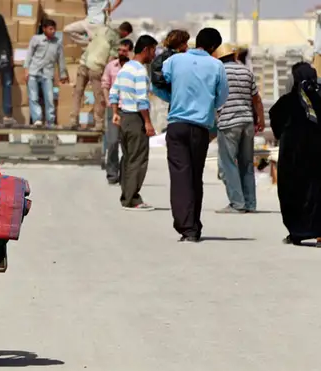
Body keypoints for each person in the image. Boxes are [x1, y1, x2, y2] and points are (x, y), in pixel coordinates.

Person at [161, 28, 228, 242]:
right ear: (213, 47)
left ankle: (186, 226)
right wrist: (207, 105)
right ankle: (194, 226)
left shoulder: (175, 61)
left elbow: (159, 82)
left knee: (180, 177)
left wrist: (171, 98)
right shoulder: (217, 65)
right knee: (194, 177)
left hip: (177, 125)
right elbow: (222, 97)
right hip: (200, 127)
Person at [269, 62, 321, 246]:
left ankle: (297, 232)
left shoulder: (287, 101)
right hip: (317, 154)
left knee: (291, 190)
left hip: (292, 155)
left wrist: (282, 134)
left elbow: (274, 117)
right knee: (316, 192)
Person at [213, 43, 265, 214]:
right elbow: (256, 99)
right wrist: (261, 120)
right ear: (234, 56)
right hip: (247, 122)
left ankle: (237, 203)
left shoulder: (219, 72)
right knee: (247, 164)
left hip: (229, 122)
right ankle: (250, 203)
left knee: (227, 164)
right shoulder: (246, 71)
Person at [109, 34, 158, 211]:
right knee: (138, 159)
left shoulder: (125, 69)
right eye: (153, 50)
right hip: (136, 118)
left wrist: (115, 112)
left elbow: (113, 93)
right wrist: (148, 123)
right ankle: (133, 199)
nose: (154, 54)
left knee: (128, 159)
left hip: (124, 117)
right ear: (146, 49)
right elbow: (142, 100)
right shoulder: (139, 71)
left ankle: (127, 196)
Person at [69, 21, 132, 131]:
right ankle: (98, 124)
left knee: (78, 93)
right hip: (96, 66)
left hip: (84, 62)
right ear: (125, 32)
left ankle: (73, 120)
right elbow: (111, 59)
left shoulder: (102, 29)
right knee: (99, 97)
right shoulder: (116, 40)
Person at [24, 19, 69, 127]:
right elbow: (29, 54)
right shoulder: (36, 39)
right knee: (33, 97)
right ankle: (37, 119)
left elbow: (61, 59)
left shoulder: (57, 42)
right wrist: (26, 70)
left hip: (48, 74)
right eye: (50, 29)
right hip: (34, 72)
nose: (53, 31)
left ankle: (50, 120)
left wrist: (63, 74)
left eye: (54, 29)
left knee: (49, 98)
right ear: (44, 29)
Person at [101, 38, 133, 184]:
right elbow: (105, 84)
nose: (121, 53)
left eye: (124, 51)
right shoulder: (110, 66)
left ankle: (125, 174)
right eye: (119, 50)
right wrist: (108, 101)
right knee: (112, 142)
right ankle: (112, 174)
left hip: (129, 109)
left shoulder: (133, 68)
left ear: (130, 52)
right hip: (114, 108)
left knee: (126, 144)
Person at [151, 29, 190, 97]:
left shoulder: (161, 58)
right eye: (185, 43)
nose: (187, 46)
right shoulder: (177, 59)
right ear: (179, 44)